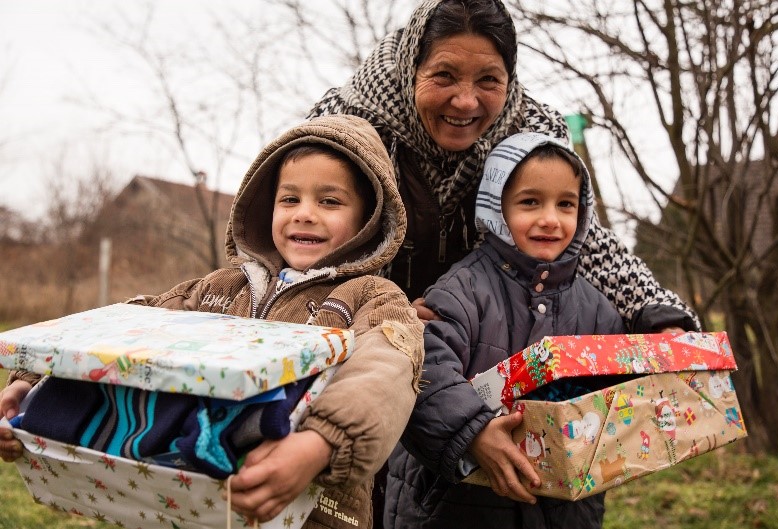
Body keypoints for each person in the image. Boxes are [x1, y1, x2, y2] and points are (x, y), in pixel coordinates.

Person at [0, 114, 425, 529]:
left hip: (312, 509)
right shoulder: (217, 289)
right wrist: (30, 383)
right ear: (266, 208)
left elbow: (384, 372)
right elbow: (130, 330)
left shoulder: (371, 298)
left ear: (368, 221)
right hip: (195, 500)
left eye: (329, 201)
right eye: (289, 199)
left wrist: (318, 445)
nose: (304, 213)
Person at [307, 0, 698, 331]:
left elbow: (584, 241)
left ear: (509, 79)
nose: (465, 101)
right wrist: (385, 318)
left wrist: (656, 313)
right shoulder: (344, 126)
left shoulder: (530, 134)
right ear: (412, 68)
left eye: (488, 80)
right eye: (444, 75)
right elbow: (298, 246)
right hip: (360, 345)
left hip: (484, 347)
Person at [386, 132, 626, 529]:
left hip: (565, 513)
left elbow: (617, 392)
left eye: (565, 204)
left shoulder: (598, 309)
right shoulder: (462, 289)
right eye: (530, 202)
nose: (550, 219)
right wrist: (472, 434)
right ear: (497, 207)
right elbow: (421, 365)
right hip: (455, 508)